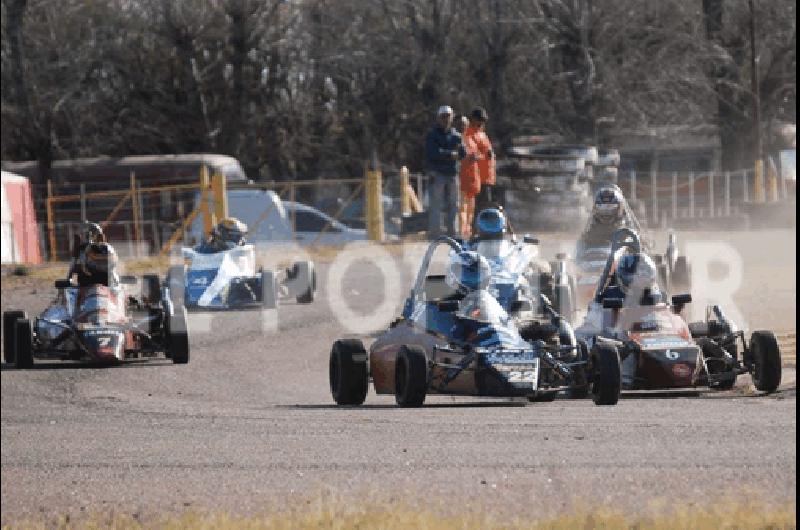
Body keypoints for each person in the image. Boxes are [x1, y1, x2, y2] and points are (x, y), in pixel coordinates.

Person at [425, 105, 465, 238]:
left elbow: (463, 153)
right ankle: (435, 233)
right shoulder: (432, 135)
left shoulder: (456, 136)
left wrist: (458, 153)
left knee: (454, 205)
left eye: (448, 116)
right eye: (443, 117)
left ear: (452, 117)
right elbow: (432, 153)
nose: (446, 119)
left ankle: (452, 232)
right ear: (438, 118)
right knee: (436, 204)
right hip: (438, 174)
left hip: (452, 174)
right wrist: (450, 154)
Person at [576, 184, 640, 255]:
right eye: (602, 206)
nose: (606, 211)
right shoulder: (589, 234)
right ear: (596, 208)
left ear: (619, 208)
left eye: (610, 206)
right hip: (592, 263)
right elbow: (577, 257)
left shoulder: (628, 232)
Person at [597, 250, 662, 306]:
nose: (640, 280)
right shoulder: (610, 295)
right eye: (635, 277)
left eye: (644, 276)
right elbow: (597, 310)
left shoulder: (655, 295)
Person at [468, 108, 497, 228]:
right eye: (479, 120)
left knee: (486, 205)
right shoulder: (470, 134)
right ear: (473, 119)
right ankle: (476, 230)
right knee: (480, 207)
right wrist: (486, 155)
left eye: (483, 121)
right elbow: (471, 155)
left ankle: (482, 229)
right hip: (478, 178)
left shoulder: (482, 134)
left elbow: (488, 152)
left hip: (488, 177)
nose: (481, 123)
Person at [67, 222, 119, 287]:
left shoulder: (107, 248)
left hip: (106, 279)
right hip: (87, 280)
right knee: (77, 268)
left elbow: (113, 260)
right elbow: (73, 269)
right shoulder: (80, 253)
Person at [457, 115, 481, 238]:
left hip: (473, 178)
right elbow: (458, 157)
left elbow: (477, 154)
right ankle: (461, 231)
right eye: (461, 124)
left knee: (471, 207)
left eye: (465, 124)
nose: (463, 126)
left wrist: (477, 156)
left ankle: (468, 229)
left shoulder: (471, 139)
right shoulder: (456, 138)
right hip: (461, 178)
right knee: (462, 207)